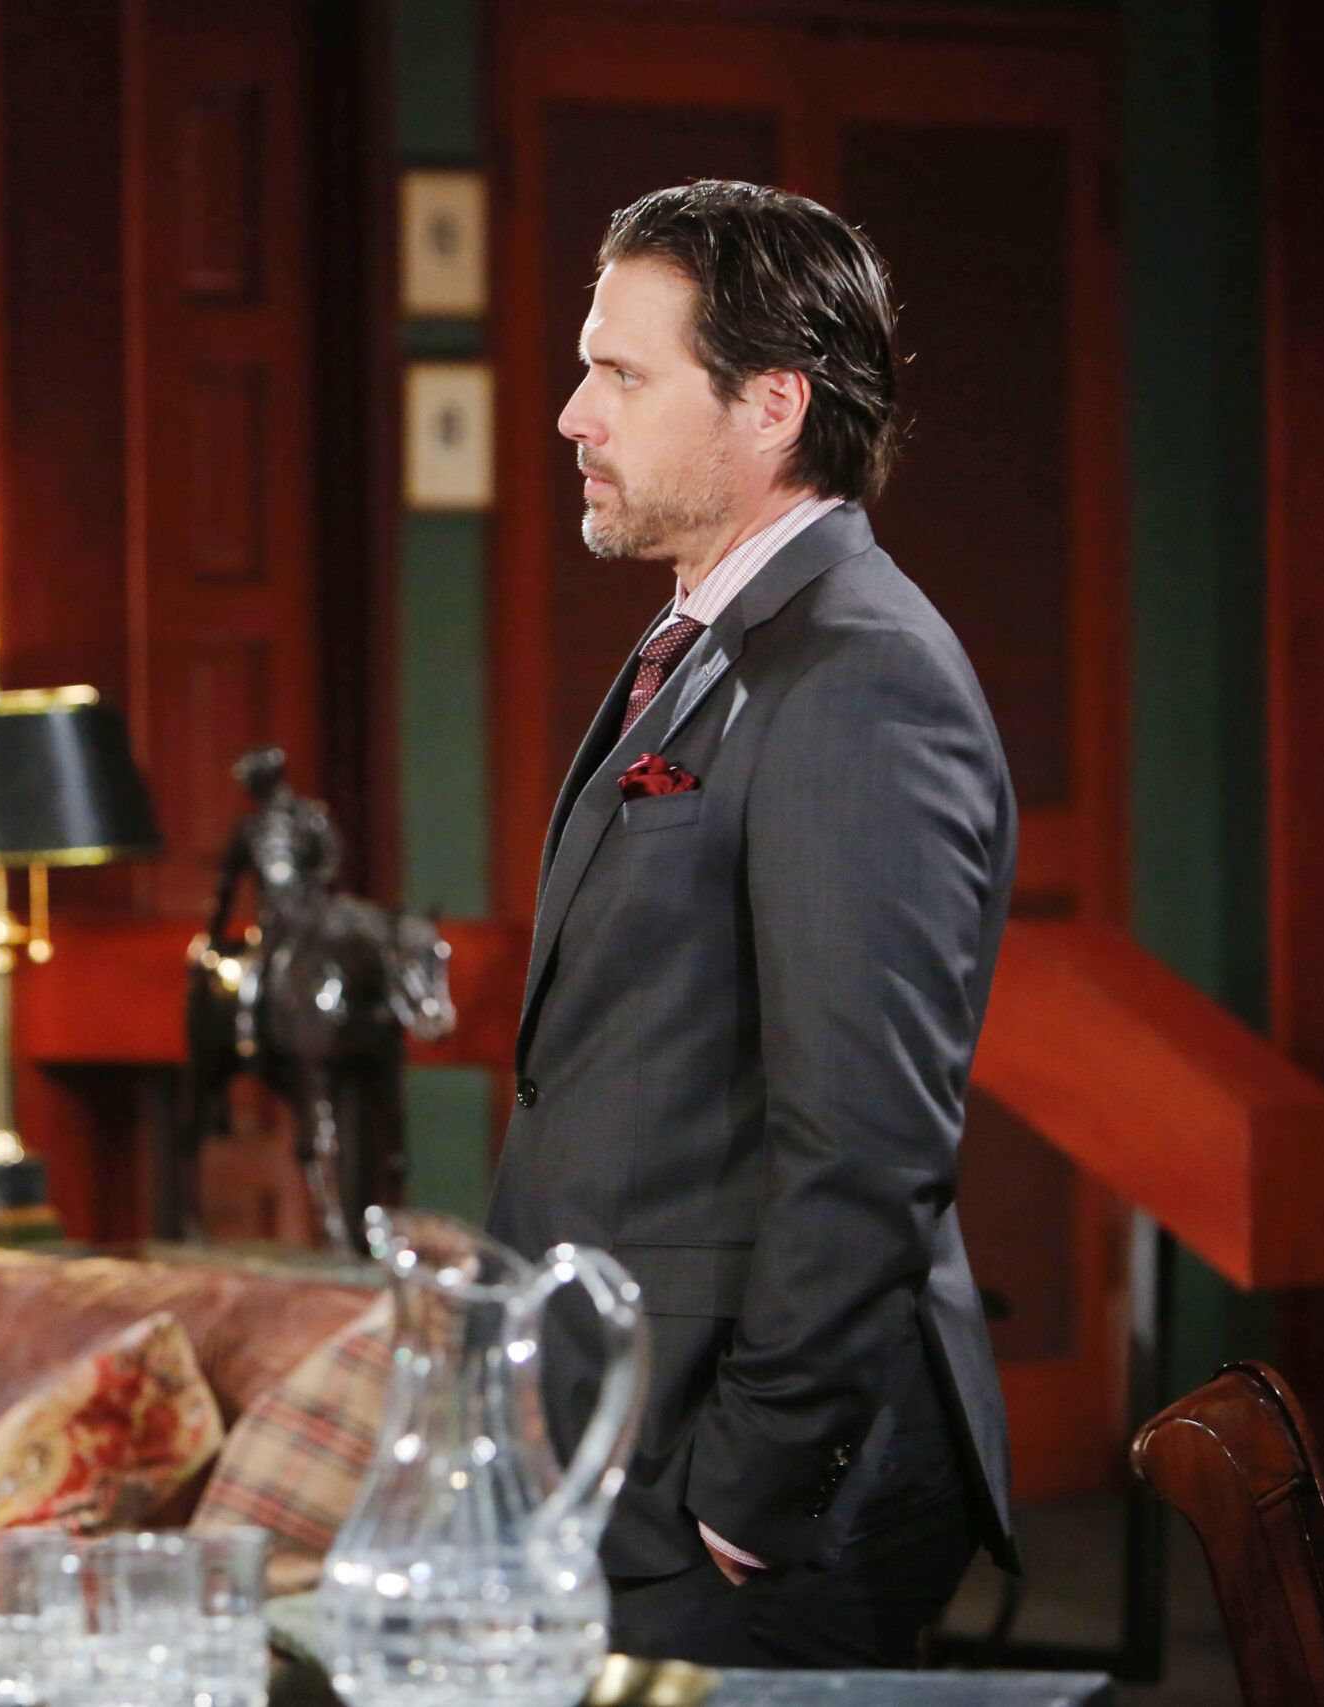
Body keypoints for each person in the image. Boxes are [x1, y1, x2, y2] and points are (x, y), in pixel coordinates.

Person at [483, 181, 1020, 1667]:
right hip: (634, 1447)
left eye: (623, 374)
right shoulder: (717, 639)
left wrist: (755, 1482)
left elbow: (867, 1137)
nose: (573, 415)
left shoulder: (860, 674)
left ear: (772, 403)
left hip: (745, 1494)